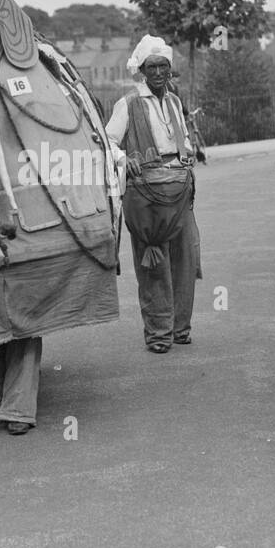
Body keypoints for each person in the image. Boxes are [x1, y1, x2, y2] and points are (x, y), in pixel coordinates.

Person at [106, 35, 200, 354]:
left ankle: (179, 327)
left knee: (186, 257)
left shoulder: (173, 101)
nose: (159, 72)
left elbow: (183, 139)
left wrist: (187, 152)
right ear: (142, 70)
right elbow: (107, 142)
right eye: (152, 67)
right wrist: (124, 159)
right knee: (154, 265)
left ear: (170, 70)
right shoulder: (129, 103)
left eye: (164, 66)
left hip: (179, 189)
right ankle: (159, 333)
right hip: (147, 195)